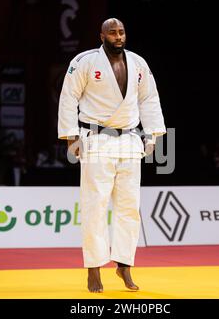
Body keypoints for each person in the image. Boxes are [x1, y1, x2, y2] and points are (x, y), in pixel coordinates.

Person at [57, 18, 166, 293]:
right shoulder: (84, 61)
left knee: (129, 207)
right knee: (95, 206)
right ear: (101, 35)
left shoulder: (138, 62)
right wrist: (71, 137)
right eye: (113, 32)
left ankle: (124, 265)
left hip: (129, 139)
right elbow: (69, 97)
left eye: (121, 32)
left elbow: (149, 99)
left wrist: (152, 133)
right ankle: (94, 270)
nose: (118, 36)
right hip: (96, 138)